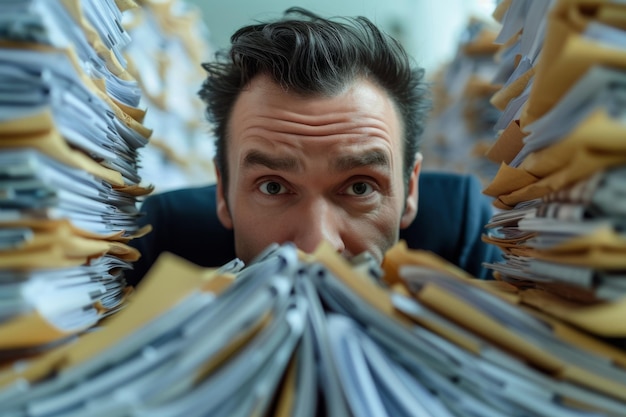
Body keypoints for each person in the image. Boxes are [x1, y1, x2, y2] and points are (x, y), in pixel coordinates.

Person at [126, 7, 501, 286]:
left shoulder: (461, 229)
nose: (318, 246)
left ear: (411, 190)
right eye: (272, 186)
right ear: (223, 193)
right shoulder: (164, 240)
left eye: (360, 187)